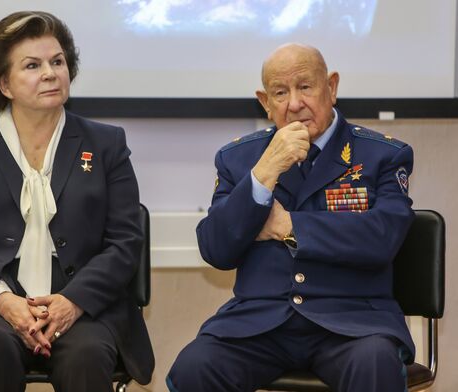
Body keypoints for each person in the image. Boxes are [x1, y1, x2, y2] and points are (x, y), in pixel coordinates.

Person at [0, 11, 154, 392]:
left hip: (83, 305)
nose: (50, 73)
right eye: (32, 65)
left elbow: (126, 243)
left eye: (57, 62)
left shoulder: (106, 144)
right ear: (5, 84)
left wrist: (72, 302)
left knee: (85, 356)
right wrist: (4, 301)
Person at [167, 43, 415, 392]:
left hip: (352, 324)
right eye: (280, 93)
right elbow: (215, 249)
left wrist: (290, 227)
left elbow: (382, 237)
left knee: (375, 364)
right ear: (265, 103)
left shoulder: (382, 155)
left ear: (332, 87)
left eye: (305, 87)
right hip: (259, 324)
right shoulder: (239, 158)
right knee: (194, 367)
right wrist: (264, 172)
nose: (295, 104)